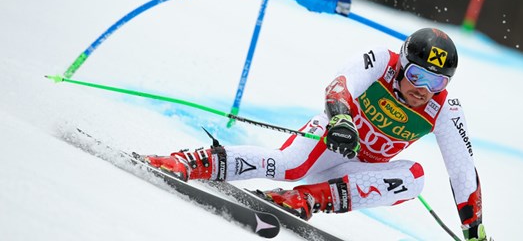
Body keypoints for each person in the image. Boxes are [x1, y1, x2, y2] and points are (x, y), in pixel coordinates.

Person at [143, 27, 491, 241]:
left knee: (413, 178)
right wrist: (340, 118)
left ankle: (306, 199)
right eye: (417, 76)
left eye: (437, 82)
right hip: (336, 136)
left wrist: (474, 233)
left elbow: (462, 170)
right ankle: (192, 162)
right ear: (402, 65)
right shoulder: (380, 62)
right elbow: (340, 83)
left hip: (355, 169)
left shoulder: (444, 109)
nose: (423, 89)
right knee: (289, 165)